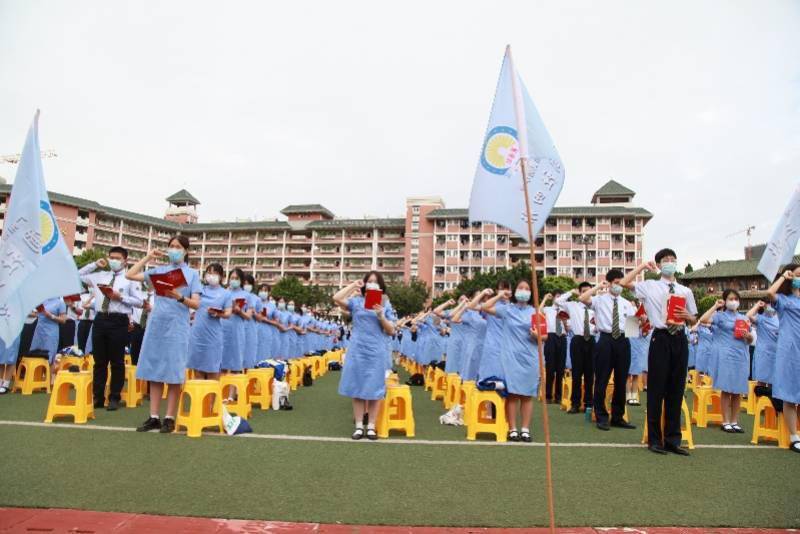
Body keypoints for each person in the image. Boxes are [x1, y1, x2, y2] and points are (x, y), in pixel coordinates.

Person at [621, 249, 697, 456]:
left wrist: (688, 316)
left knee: (676, 390)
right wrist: (642, 268)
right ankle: (655, 440)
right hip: (660, 337)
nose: (670, 263)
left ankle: (673, 439)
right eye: (665, 260)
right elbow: (623, 283)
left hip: (680, 338)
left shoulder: (685, 290)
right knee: (656, 390)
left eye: (673, 260)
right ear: (659, 264)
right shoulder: (650, 286)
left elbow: (694, 319)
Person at [126, 235, 202, 433]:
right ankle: (153, 417)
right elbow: (130, 275)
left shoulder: (192, 274)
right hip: (157, 325)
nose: (174, 250)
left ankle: (169, 417)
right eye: (171, 246)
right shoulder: (159, 271)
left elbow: (196, 304)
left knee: (174, 371)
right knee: (155, 369)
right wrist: (148, 257)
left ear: (186, 251)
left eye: (178, 247)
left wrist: (179, 297)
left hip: (177, 327)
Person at [333, 272, 396, 440]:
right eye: (370, 282)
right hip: (357, 349)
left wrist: (381, 315)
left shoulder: (385, 304)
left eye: (376, 282)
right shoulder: (356, 303)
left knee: (375, 389)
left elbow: (391, 330)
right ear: (365, 284)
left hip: (376, 350)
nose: (372, 285)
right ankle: (359, 426)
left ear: (381, 287)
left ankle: (371, 426)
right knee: (357, 387)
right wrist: (354, 285)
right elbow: (337, 298)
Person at [78, 246, 142, 410]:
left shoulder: (130, 279)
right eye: (111, 257)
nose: (113, 260)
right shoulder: (101, 275)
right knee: (99, 361)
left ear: (125, 260)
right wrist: (94, 264)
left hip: (118, 320)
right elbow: (79, 275)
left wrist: (120, 297)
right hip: (100, 319)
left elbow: (139, 301)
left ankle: (114, 397)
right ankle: (98, 397)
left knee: (117, 361)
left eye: (117, 258)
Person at [579, 270, 637, 431]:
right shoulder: (599, 300)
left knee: (621, 380)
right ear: (609, 283)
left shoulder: (627, 303)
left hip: (623, 341)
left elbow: (633, 329)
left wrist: (642, 322)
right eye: (616, 283)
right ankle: (601, 416)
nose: (619, 286)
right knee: (602, 379)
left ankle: (618, 417)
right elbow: (582, 298)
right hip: (605, 339)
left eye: (621, 283)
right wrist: (598, 286)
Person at [483, 280, 540, 442]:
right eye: (520, 288)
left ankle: (525, 429)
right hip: (510, 357)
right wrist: (500, 295)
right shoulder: (507, 310)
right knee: (513, 394)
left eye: (527, 289)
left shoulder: (536, 312)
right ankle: (512, 428)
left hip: (529, 357)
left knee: (527, 395)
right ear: (515, 292)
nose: (524, 291)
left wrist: (537, 336)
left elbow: (544, 337)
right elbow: (485, 307)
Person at [697, 289, 752, 433]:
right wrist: (715, 306)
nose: (733, 301)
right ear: (726, 301)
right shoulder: (720, 316)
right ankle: (725, 421)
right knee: (727, 390)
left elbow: (750, 339)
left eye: (736, 298)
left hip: (741, 355)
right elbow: (703, 320)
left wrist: (748, 336)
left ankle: (734, 421)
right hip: (726, 355)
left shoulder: (744, 318)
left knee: (738, 391)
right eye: (730, 298)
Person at [765, 266, 800, 454]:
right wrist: (784, 277)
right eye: (798, 275)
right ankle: (794, 437)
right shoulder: (785, 301)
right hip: (790, 351)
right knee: (789, 395)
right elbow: (770, 292)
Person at [556, 283, 596, 414]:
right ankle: (575, 404)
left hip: (591, 340)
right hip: (577, 340)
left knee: (590, 375)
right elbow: (558, 301)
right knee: (577, 374)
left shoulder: (595, 306)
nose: (586, 294)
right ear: (579, 293)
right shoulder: (572, 305)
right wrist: (571, 292)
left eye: (589, 291)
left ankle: (589, 404)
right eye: (583, 291)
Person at [187, 263, 232, 379]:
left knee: (213, 369)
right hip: (197, 334)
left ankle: (212, 397)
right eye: (209, 272)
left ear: (221, 277)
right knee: (197, 369)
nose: (211, 276)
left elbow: (228, 313)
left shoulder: (225, 293)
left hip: (213, 336)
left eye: (215, 273)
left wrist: (218, 313)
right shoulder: (200, 290)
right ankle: (200, 397)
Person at [478, 281, 512, 384]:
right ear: (497, 290)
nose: (505, 291)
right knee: (488, 379)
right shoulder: (491, 304)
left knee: (504, 381)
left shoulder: (513, 307)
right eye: (502, 288)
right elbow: (474, 306)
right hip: (491, 347)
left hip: (507, 348)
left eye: (508, 289)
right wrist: (485, 294)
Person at [29, 298, 68, 381]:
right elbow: (36, 313)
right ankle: (36, 379)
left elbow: (63, 320)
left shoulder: (60, 303)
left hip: (51, 331)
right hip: (39, 330)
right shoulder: (42, 300)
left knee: (49, 355)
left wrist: (51, 316)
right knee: (35, 353)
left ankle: (49, 380)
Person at [540, 290, 567, 404]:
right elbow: (539, 310)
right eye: (557, 296)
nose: (559, 299)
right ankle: (548, 396)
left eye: (561, 297)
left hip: (562, 337)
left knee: (560, 370)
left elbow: (568, 327)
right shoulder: (548, 309)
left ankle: (558, 396)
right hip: (551, 337)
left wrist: (565, 322)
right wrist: (545, 298)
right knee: (550, 369)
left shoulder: (565, 311)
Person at [221, 268, 250, 373]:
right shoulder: (223, 293)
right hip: (223, 328)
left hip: (237, 330)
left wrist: (239, 311)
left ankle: (233, 389)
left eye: (236, 278)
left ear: (241, 280)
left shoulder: (246, 295)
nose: (233, 280)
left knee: (236, 361)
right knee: (221, 362)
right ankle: (222, 388)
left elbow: (248, 316)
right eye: (232, 278)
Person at [746, 300, 779, 386]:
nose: (770, 306)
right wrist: (757, 305)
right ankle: (759, 398)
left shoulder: (778, 318)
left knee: (774, 381)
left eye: (772, 304)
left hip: (776, 354)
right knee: (761, 381)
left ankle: (772, 399)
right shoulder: (760, 318)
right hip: (763, 354)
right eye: (768, 304)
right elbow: (748, 316)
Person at [129, 283, 154, 365]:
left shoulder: (159, 297)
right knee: (135, 356)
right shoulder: (137, 294)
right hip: (137, 328)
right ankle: (135, 376)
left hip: (151, 330)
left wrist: (151, 309)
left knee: (149, 357)